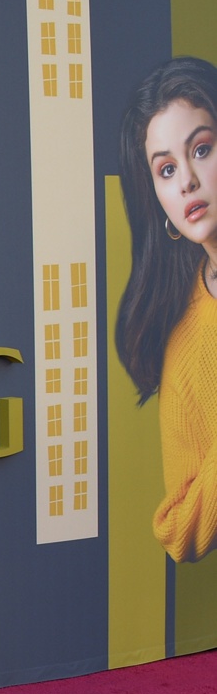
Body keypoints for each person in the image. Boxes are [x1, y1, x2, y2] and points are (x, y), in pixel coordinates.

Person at [117, 56, 217, 562]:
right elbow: (178, 531)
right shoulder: (187, 340)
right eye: (167, 169)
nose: (187, 182)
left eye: (202, 149)